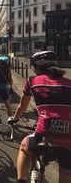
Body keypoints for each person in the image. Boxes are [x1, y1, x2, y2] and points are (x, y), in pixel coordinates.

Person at [9, 51, 71, 183]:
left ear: (37, 68)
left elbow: (22, 107)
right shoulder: (69, 83)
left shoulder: (32, 81)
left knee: (25, 146)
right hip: (68, 138)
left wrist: (14, 119)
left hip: (44, 133)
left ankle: (21, 180)